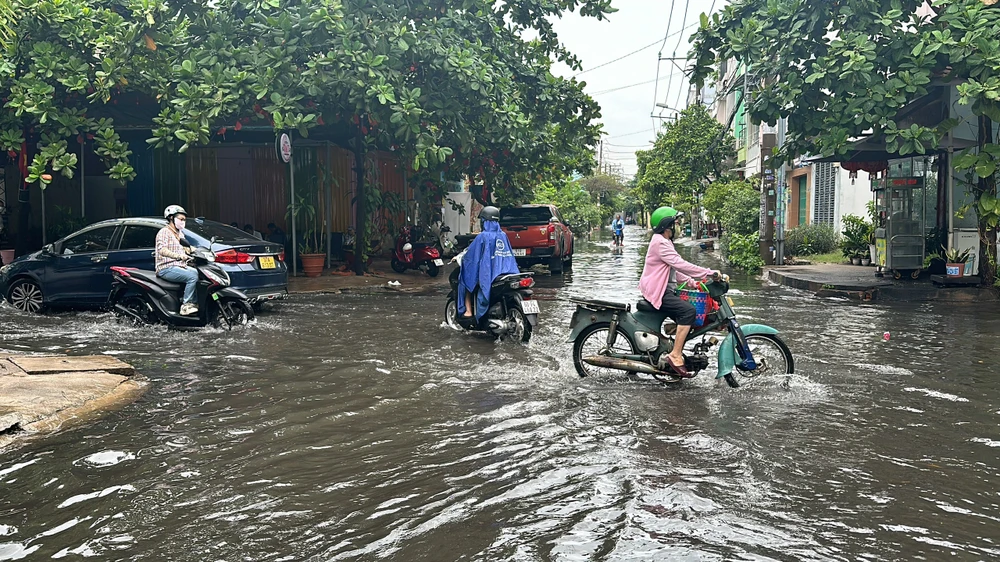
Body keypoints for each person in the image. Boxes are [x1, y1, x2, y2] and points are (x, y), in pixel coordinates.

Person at [638, 206, 721, 377]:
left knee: (690, 314)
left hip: (663, 290)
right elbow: (681, 264)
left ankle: (674, 346)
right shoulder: (661, 243)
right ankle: (675, 355)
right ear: (667, 225)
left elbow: (673, 270)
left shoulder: (663, 242)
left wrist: (693, 283)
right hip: (659, 292)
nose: (676, 225)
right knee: (688, 311)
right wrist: (709, 272)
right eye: (674, 222)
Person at [457, 206, 519, 321]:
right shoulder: (503, 235)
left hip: (490, 274)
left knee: (466, 279)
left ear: (484, 221)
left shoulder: (483, 236)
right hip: (507, 272)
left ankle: (469, 311)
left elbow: (471, 257)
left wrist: (463, 259)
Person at [156, 205, 199, 316]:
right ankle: (186, 305)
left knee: (197, 273)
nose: (183, 221)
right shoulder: (164, 232)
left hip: (179, 266)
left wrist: (197, 251)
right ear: (171, 218)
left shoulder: (179, 233)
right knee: (192, 276)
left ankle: (195, 303)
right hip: (166, 267)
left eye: (184, 219)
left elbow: (186, 247)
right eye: (181, 219)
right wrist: (178, 256)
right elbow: (162, 250)